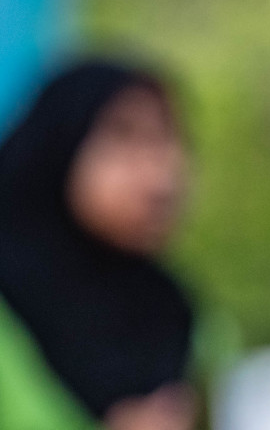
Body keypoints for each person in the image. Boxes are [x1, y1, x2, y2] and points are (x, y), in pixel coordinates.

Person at [0, 60, 198, 430]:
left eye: (167, 139)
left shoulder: (179, 316)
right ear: (58, 144)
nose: (161, 176)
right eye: (124, 138)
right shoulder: (11, 304)